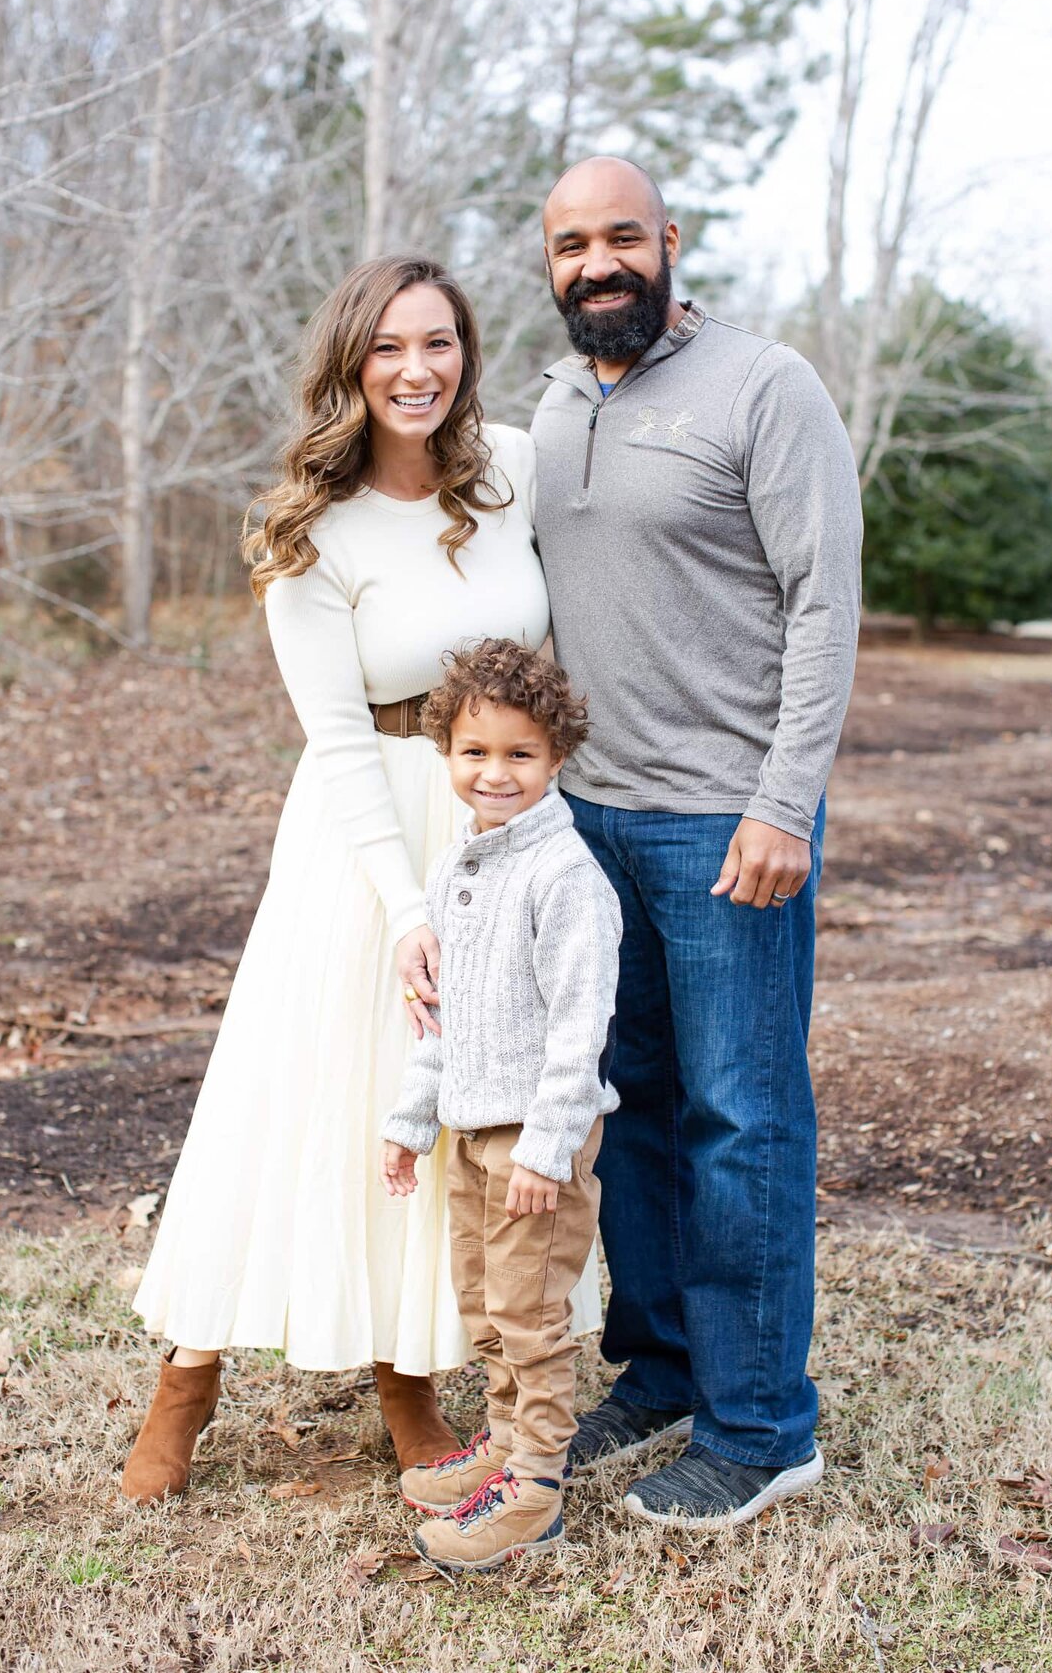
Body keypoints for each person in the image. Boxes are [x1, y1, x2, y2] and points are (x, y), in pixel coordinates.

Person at [121, 257, 602, 1505]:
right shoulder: (307, 532)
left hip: (498, 822)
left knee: (460, 1107)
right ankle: (190, 1372)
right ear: (350, 364)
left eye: (439, 344)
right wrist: (404, 906)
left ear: (466, 353)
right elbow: (335, 739)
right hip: (367, 837)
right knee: (306, 1094)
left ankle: (411, 1378)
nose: (417, 370)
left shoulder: (511, 467)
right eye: (389, 348)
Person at [531, 157, 863, 1527]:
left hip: (727, 825)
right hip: (589, 821)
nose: (596, 263)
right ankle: (665, 1367)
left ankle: (762, 1424)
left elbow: (824, 601)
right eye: (569, 245)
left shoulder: (763, 386)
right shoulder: (553, 404)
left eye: (621, 237)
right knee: (638, 1112)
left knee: (743, 1121)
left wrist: (785, 799)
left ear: (670, 242)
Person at [380, 640, 621, 1572]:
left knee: (530, 1313)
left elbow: (579, 1029)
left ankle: (536, 1487)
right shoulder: (457, 870)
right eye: (475, 752)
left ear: (557, 760)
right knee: (484, 1304)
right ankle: (502, 1444)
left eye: (520, 754)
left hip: (534, 1143)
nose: (495, 772)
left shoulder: (565, 879)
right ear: (446, 755)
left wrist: (547, 1150)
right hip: (471, 1132)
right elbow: (440, 1018)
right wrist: (411, 1121)